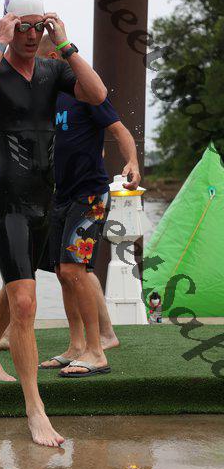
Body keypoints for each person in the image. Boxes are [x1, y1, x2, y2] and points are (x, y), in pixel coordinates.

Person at [0, 0, 107, 447]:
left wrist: (65, 42)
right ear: (8, 25)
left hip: (46, 201)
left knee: (16, 289)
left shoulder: (53, 70)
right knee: (25, 301)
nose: (30, 35)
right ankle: (35, 409)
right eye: (22, 26)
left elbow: (98, 94)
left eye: (37, 26)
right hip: (7, 202)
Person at [36, 36, 141, 376]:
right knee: (62, 273)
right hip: (62, 195)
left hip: (91, 195)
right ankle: (76, 345)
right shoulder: (49, 96)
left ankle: (96, 351)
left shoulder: (83, 91)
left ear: (53, 59)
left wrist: (132, 162)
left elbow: (120, 130)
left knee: (74, 270)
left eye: (38, 62)